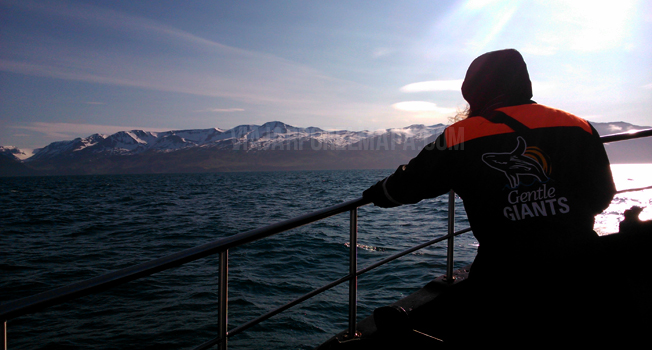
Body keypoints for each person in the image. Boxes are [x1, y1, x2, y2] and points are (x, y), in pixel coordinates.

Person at [362, 49, 639, 346]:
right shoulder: (577, 125)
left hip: (505, 273)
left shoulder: (460, 135)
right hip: (582, 267)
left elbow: (405, 187)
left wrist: (376, 193)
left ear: (472, 91)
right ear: (524, 81)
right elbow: (602, 194)